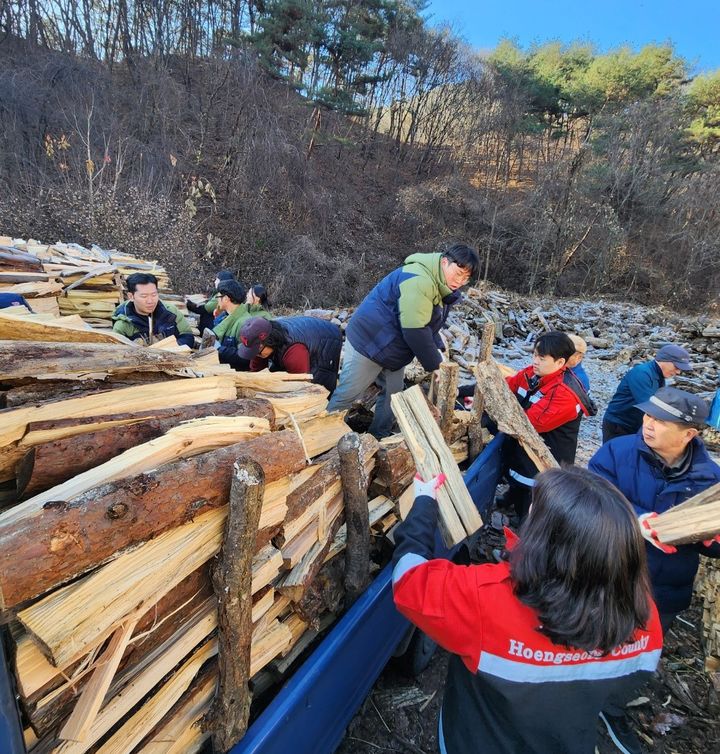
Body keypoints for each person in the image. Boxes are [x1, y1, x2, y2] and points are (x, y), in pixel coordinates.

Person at [392, 466, 662, 754]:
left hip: (475, 742)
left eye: (535, 511)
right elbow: (628, 683)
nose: (529, 510)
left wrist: (423, 503)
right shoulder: (644, 616)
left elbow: (410, 581)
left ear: (548, 544)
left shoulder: (487, 601)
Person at [590, 386, 720, 633]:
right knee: (599, 638)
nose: (648, 424)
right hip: (610, 572)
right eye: (648, 415)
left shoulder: (710, 479)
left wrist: (710, 539)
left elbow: (715, 544)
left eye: (660, 421)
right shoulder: (616, 452)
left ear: (688, 434)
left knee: (646, 647)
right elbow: (593, 497)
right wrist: (639, 520)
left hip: (665, 587)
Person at [327, 244, 480, 438]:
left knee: (394, 397)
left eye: (466, 278)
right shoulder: (420, 280)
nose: (460, 281)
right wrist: (435, 365)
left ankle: (379, 438)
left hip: (392, 349)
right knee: (347, 395)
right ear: (444, 262)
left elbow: (428, 323)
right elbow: (415, 330)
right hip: (369, 342)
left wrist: (438, 349)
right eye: (458, 273)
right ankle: (322, 439)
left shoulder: (441, 287)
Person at [500, 331, 593, 519]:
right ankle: (513, 498)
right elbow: (508, 386)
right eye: (534, 355)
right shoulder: (533, 373)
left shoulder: (564, 393)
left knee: (534, 502)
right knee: (518, 482)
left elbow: (531, 425)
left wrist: (499, 414)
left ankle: (526, 535)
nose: (535, 361)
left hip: (545, 458)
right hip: (525, 451)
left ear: (560, 363)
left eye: (541, 358)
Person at [602, 344, 693, 443]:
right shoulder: (642, 373)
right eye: (676, 366)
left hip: (634, 426)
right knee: (615, 457)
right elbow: (650, 406)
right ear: (664, 360)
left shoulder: (659, 376)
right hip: (619, 425)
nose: (678, 372)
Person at [237, 316, 342, 394]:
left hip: (327, 339)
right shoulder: (261, 339)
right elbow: (257, 372)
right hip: (303, 334)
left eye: (258, 352)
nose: (257, 355)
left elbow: (301, 383)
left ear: (270, 341)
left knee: (317, 386)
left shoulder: (294, 352)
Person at [112, 272, 194, 347]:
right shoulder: (123, 325)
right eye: (144, 296)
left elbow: (187, 335)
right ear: (131, 297)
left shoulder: (171, 312)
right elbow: (118, 353)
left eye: (154, 295)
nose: (150, 301)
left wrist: (171, 348)